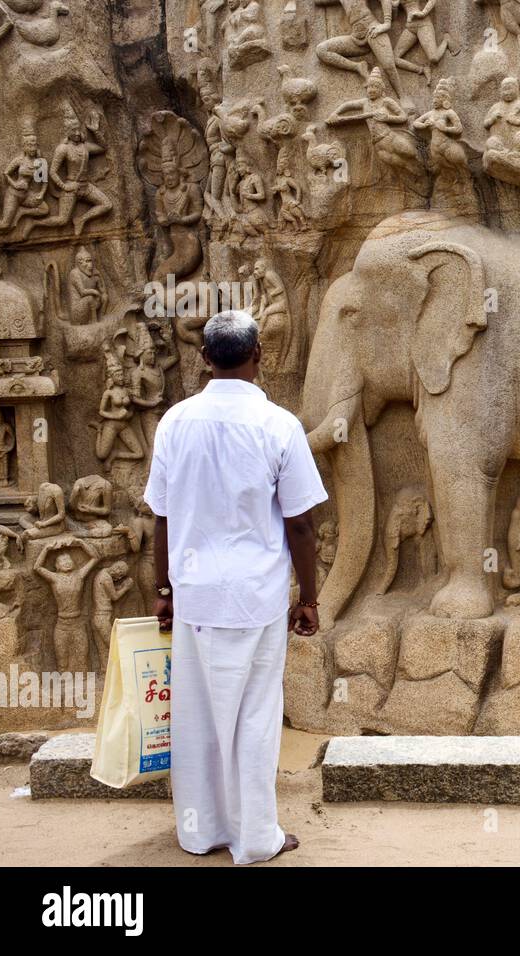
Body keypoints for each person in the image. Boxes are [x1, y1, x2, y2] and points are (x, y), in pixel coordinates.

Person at [145, 309, 327, 865]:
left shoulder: (176, 422)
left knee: (196, 714)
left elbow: (161, 517)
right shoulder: (279, 426)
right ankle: (254, 838)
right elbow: (300, 523)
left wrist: (164, 589)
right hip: (255, 597)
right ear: (259, 357)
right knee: (254, 716)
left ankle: (201, 832)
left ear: (204, 359)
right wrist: (310, 597)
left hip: (196, 593)